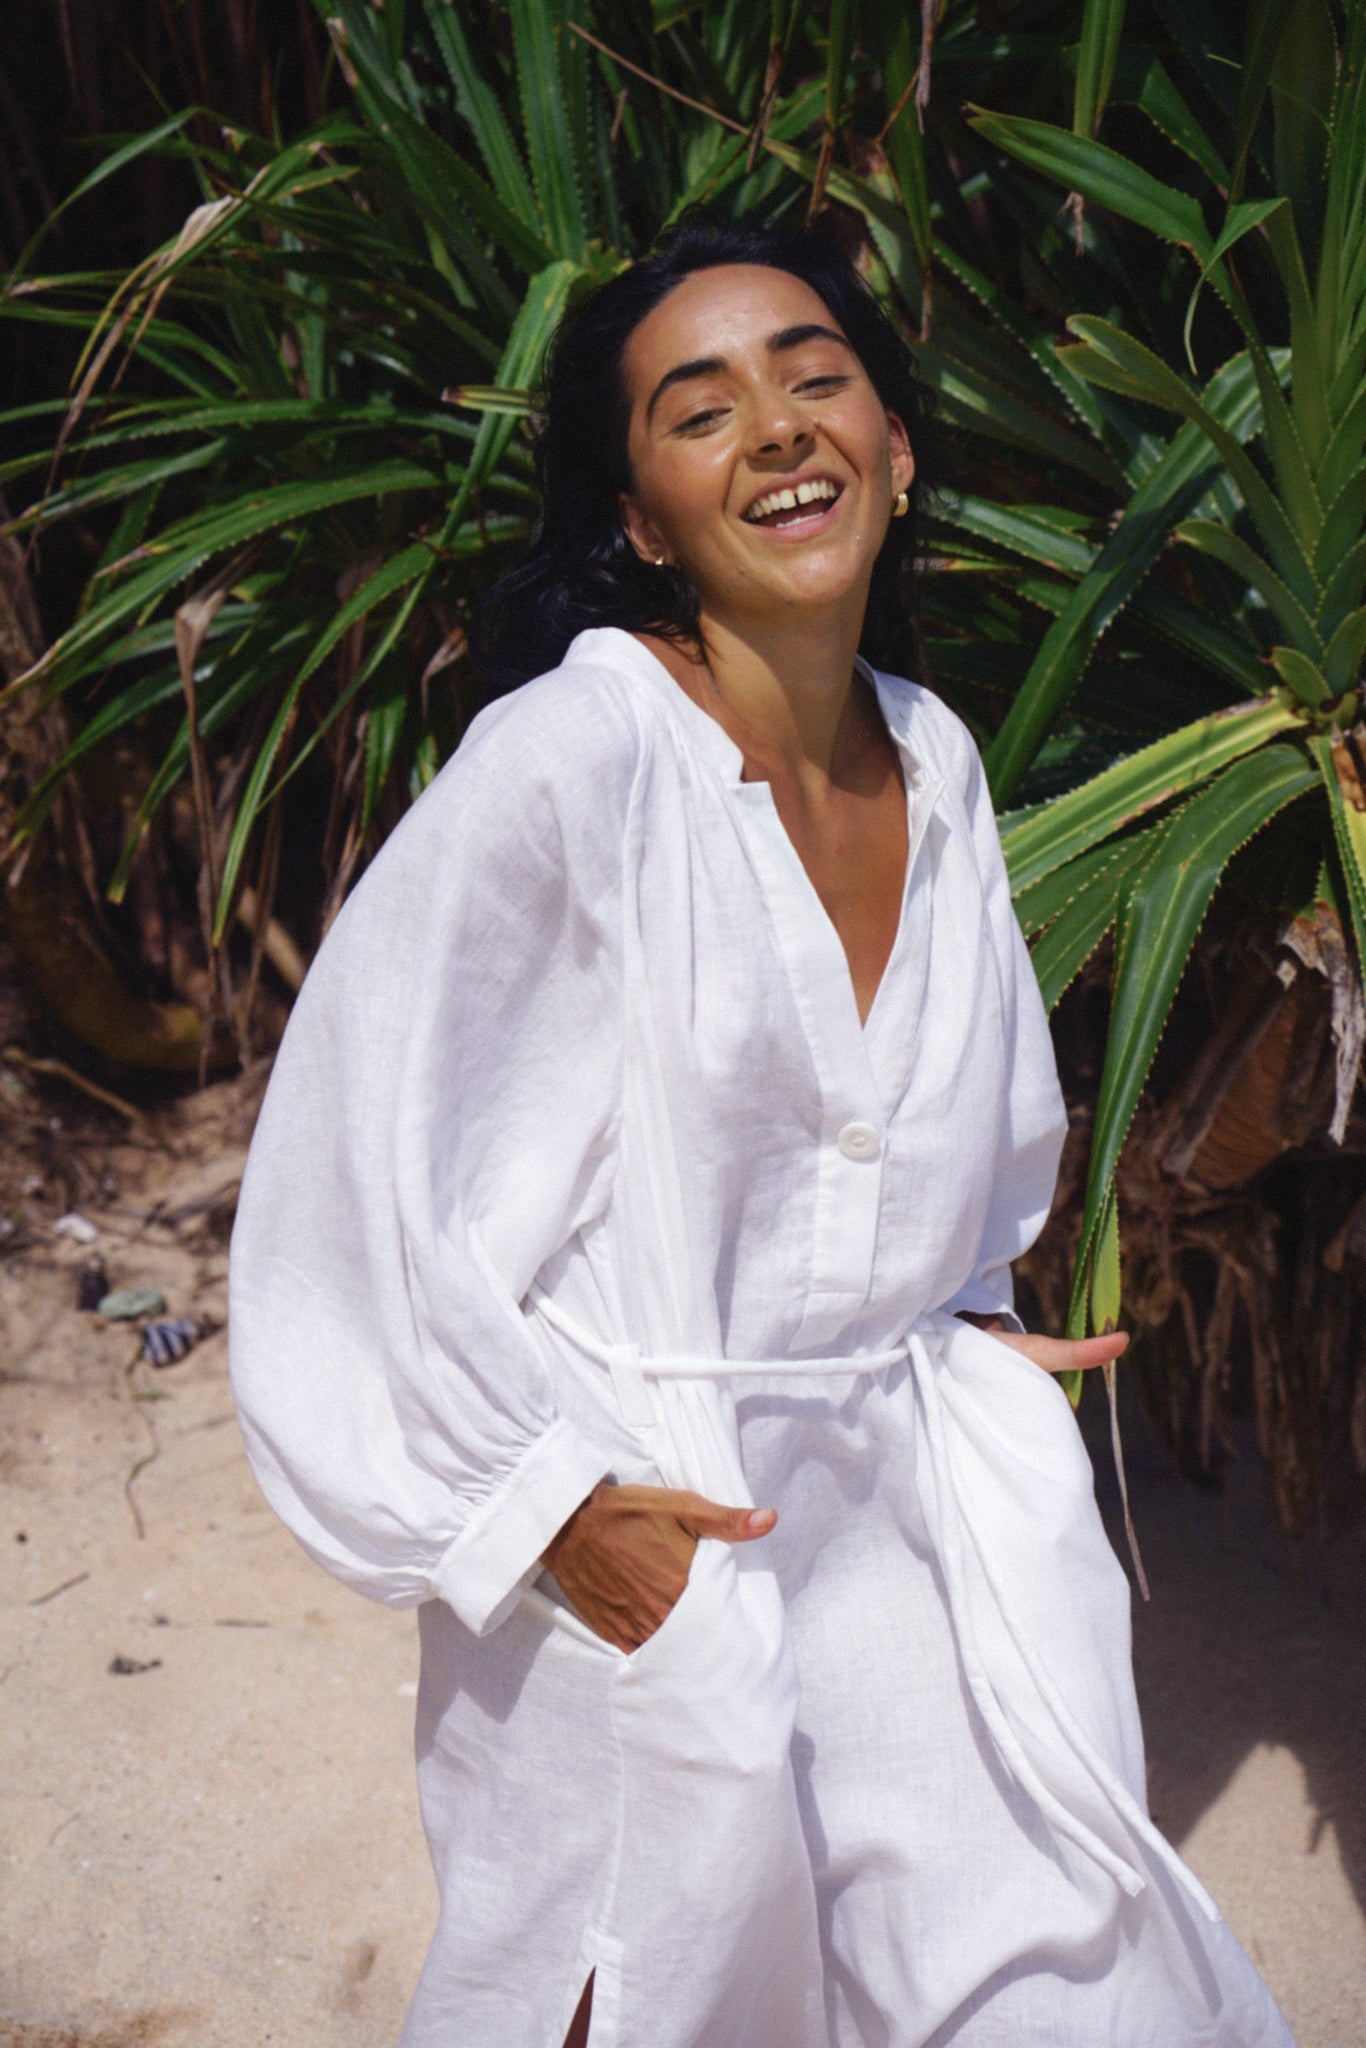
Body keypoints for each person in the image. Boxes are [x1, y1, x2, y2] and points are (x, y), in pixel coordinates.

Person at [228, 214, 1295, 2048]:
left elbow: (936, 1143)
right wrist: (540, 1514)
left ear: (893, 446)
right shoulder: (571, 763)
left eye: (815, 381)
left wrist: (955, 1336)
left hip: (906, 1524)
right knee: (635, 1980)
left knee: (1047, 1974)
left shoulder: (936, 758)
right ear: (641, 519)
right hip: (654, 1509)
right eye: (698, 410)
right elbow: (350, 1183)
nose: (777, 430)